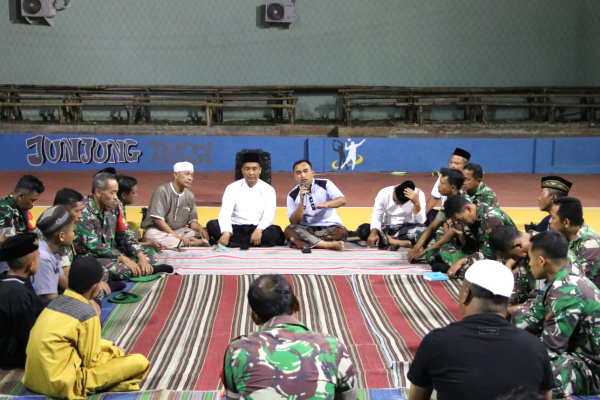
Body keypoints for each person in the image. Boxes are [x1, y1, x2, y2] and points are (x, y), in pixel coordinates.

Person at [407, 259, 553, 400]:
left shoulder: (437, 342)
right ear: (508, 299)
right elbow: (545, 396)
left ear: (466, 294)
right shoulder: (535, 346)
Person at [22, 257, 150, 399]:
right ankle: (113, 385)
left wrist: (110, 347)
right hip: (64, 384)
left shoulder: (54, 303)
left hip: (33, 380)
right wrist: (114, 352)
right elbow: (92, 362)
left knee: (107, 349)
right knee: (140, 362)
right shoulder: (87, 313)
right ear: (95, 288)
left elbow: (76, 341)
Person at [222, 274, 357, 400]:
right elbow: (350, 397)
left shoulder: (237, 350)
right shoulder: (332, 346)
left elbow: (232, 397)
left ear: (254, 317)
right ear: (296, 303)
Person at [515, 230, 600, 397]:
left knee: (533, 375)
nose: (529, 264)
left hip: (592, 366)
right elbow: (530, 319)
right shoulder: (562, 278)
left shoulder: (566, 292)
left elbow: (550, 350)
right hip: (577, 352)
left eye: (530, 259)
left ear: (541, 261)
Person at [74, 172, 166, 283]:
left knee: (149, 253)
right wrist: (122, 258)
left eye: (116, 192)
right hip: (91, 256)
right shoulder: (84, 211)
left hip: (113, 251)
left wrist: (141, 257)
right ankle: (146, 270)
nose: (116, 197)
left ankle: (140, 267)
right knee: (123, 271)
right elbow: (93, 245)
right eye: (112, 192)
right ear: (98, 192)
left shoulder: (115, 205)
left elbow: (125, 234)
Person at [206, 153, 284, 248]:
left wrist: (259, 230)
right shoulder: (232, 188)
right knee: (211, 225)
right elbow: (225, 213)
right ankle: (250, 243)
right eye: (247, 169)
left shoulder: (268, 190)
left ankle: (234, 244)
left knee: (276, 232)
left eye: (254, 169)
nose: (251, 173)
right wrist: (226, 232)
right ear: (242, 170)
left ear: (260, 170)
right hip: (235, 227)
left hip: (256, 228)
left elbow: (269, 215)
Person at [0, 233, 46, 368]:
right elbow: (27, 334)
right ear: (30, 265)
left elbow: (39, 304)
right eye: (38, 257)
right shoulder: (17, 292)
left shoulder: (10, 281)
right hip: (9, 354)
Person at [443, 195, 515, 278]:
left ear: (468, 209)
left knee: (468, 271)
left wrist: (464, 261)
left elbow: (489, 254)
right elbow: (471, 248)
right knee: (444, 250)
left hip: (502, 257)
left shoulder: (491, 219)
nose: (460, 222)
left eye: (459, 219)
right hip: (481, 254)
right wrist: (460, 234)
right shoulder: (471, 217)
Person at [141, 162, 209, 248]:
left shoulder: (190, 195)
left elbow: (192, 222)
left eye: (192, 175)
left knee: (197, 234)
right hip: (159, 231)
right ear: (176, 175)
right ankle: (192, 243)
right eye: (187, 174)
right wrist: (177, 237)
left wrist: (201, 228)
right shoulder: (162, 191)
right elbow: (158, 221)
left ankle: (179, 242)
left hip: (179, 231)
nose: (190, 178)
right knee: (152, 235)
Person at [284, 160, 347, 251]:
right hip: (307, 229)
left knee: (342, 231)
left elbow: (342, 200)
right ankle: (327, 245)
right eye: (298, 173)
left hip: (329, 228)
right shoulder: (292, 195)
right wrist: (301, 203)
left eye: (306, 171)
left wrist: (326, 204)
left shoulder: (325, 184)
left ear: (312, 173)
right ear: (294, 176)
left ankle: (309, 242)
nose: (303, 175)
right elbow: (294, 222)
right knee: (289, 230)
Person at [407, 168, 464, 267]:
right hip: (448, 235)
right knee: (419, 235)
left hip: (460, 243)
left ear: (452, 187)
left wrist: (422, 252)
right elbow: (433, 226)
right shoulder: (449, 202)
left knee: (432, 256)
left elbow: (449, 236)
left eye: (442, 183)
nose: (438, 186)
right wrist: (416, 248)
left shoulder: (462, 204)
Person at [357, 180, 426, 249]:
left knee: (423, 231)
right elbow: (377, 217)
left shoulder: (419, 195)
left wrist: (417, 204)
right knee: (363, 230)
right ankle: (394, 241)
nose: (396, 203)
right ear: (394, 190)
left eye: (400, 203)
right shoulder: (383, 193)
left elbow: (420, 222)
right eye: (395, 200)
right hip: (386, 227)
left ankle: (387, 240)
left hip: (406, 228)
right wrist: (373, 233)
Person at [549, 196, 600, 287]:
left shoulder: (590, 244)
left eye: (553, 218)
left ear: (566, 222)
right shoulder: (564, 235)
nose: (550, 221)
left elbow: (579, 283)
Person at [32, 205, 75, 301]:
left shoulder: (52, 250)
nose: (74, 235)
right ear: (61, 236)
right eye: (73, 231)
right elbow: (50, 300)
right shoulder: (43, 258)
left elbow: (64, 282)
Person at [117, 174, 163, 253]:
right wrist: (147, 243)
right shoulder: (117, 209)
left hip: (121, 240)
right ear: (124, 195)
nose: (136, 195)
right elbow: (121, 244)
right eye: (133, 193)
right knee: (150, 251)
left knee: (134, 230)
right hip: (116, 247)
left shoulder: (120, 206)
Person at [0, 175, 44, 253]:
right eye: (32, 200)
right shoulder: (5, 211)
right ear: (21, 196)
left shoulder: (21, 208)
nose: (33, 204)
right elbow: (10, 244)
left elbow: (35, 232)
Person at [424, 148, 470, 220]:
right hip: (445, 213)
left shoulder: (469, 182)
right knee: (428, 214)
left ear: (465, 165)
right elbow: (434, 198)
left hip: (460, 217)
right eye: (451, 162)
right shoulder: (444, 176)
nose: (452, 166)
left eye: (456, 163)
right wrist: (422, 219)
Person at [53, 188, 84, 285]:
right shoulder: (56, 233)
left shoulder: (66, 226)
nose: (80, 215)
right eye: (77, 211)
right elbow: (66, 280)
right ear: (64, 211)